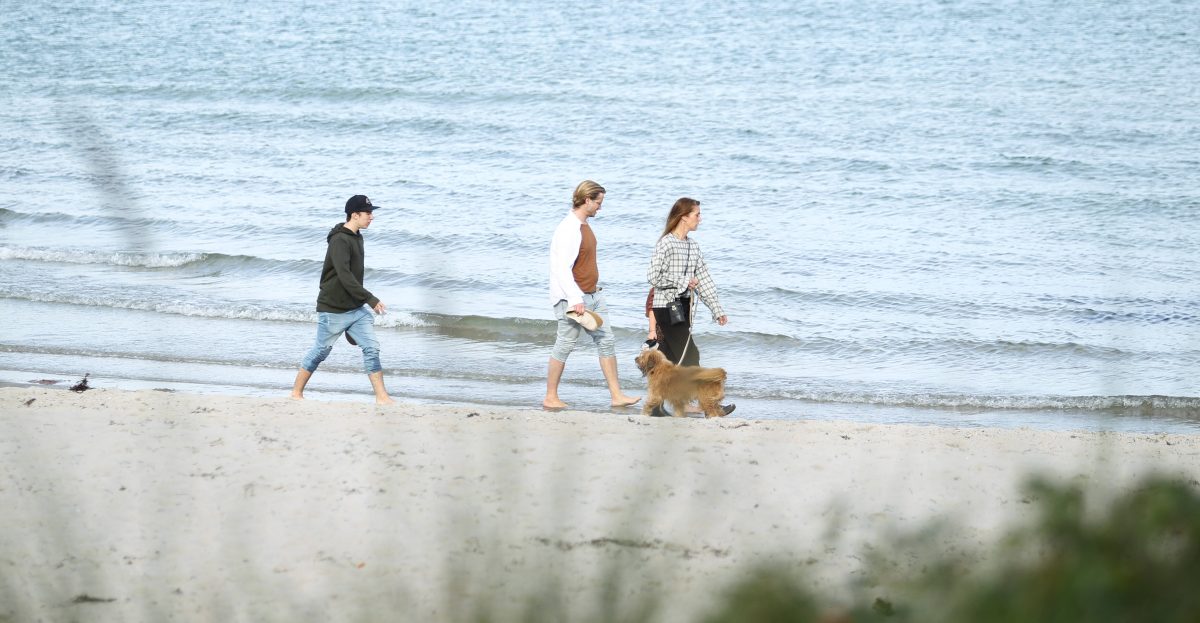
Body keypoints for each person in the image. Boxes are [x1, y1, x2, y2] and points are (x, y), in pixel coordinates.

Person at [543, 180, 641, 410]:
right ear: (586, 200)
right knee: (564, 345)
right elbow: (561, 269)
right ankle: (550, 396)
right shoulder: (568, 228)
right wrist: (575, 299)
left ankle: (617, 395)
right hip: (573, 299)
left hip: (593, 295)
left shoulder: (584, 225)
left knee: (606, 341)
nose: (600, 207)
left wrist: (591, 292)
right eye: (598, 202)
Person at [291, 194, 395, 405]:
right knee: (321, 351)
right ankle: (296, 393)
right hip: (333, 308)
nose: (371, 217)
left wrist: (362, 301)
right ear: (354, 215)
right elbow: (345, 276)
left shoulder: (357, 237)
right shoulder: (339, 240)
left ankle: (382, 398)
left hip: (354, 309)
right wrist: (371, 299)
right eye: (368, 213)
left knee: (372, 347)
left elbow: (353, 277)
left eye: (371, 213)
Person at [647, 197, 734, 415]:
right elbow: (653, 276)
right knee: (691, 357)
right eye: (697, 215)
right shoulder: (666, 243)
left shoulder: (693, 246)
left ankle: (656, 408)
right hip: (666, 307)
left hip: (683, 307)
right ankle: (710, 406)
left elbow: (704, 279)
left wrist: (717, 309)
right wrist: (684, 281)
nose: (700, 219)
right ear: (684, 217)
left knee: (668, 359)